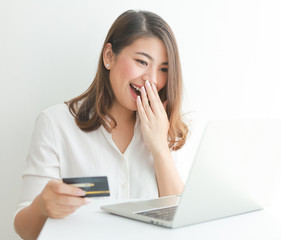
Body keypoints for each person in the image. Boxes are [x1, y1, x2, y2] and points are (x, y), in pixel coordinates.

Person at [14, 10, 189, 240]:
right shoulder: (55, 125)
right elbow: (25, 231)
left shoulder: (165, 128)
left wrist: (159, 148)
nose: (153, 80)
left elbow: (182, 224)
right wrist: (41, 207)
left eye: (163, 69)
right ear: (109, 56)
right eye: (141, 62)